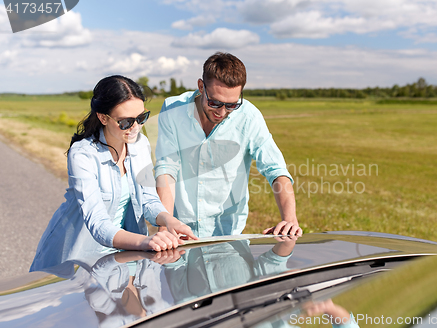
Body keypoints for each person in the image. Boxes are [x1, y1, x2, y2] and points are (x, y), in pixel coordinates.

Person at [30, 75, 196, 272]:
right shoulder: (82, 154)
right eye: (126, 122)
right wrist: (146, 241)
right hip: (77, 257)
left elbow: (148, 199)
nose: (135, 128)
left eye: (141, 118)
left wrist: (170, 221)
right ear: (103, 117)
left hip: (122, 256)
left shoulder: (140, 144)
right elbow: (98, 223)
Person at [154, 52, 301, 238]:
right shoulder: (173, 109)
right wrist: (165, 227)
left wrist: (290, 219)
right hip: (180, 232)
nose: (222, 112)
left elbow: (276, 169)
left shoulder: (249, 117)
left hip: (228, 234)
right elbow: (167, 168)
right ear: (201, 87)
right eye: (215, 102)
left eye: (232, 105)